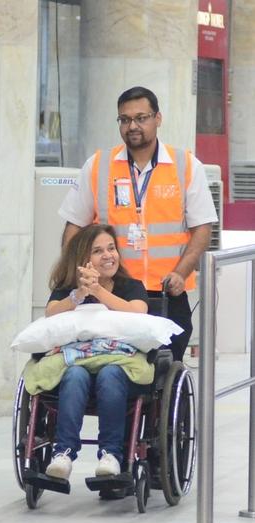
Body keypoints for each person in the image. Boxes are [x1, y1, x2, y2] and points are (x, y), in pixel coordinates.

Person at [58, 86, 218, 361]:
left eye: (141, 118)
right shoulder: (98, 165)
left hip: (166, 292)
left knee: (163, 369)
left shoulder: (186, 165)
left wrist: (181, 272)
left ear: (158, 118)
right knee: (108, 366)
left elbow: (202, 229)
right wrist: (75, 274)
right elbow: (74, 226)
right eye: (125, 119)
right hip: (111, 291)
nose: (133, 126)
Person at [44, 224, 149, 480]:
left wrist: (98, 291)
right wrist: (80, 294)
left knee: (110, 375)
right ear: (82, 260)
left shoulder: (131, 286)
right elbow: (50, 314)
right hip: (79, 360)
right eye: (98, 251)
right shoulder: (68, 290)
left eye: (111, 248)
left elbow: (138, 313)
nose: (108, 255)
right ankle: (64, 454)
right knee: (74, 376)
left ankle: (111, 455)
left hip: (117, 363)